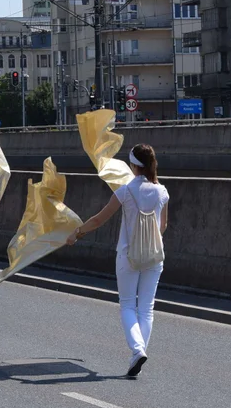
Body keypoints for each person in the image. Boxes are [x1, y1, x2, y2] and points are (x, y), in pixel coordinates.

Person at [66, 143, 169, 378]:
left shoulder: (125, 191)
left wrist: (76, 233)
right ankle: (138, 352)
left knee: (127, 305)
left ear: (134, 166)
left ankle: (138, 350)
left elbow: (98, 220)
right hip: (154, 256)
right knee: (146, 309)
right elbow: (163, 226)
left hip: (128, 255)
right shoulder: (163, 191)